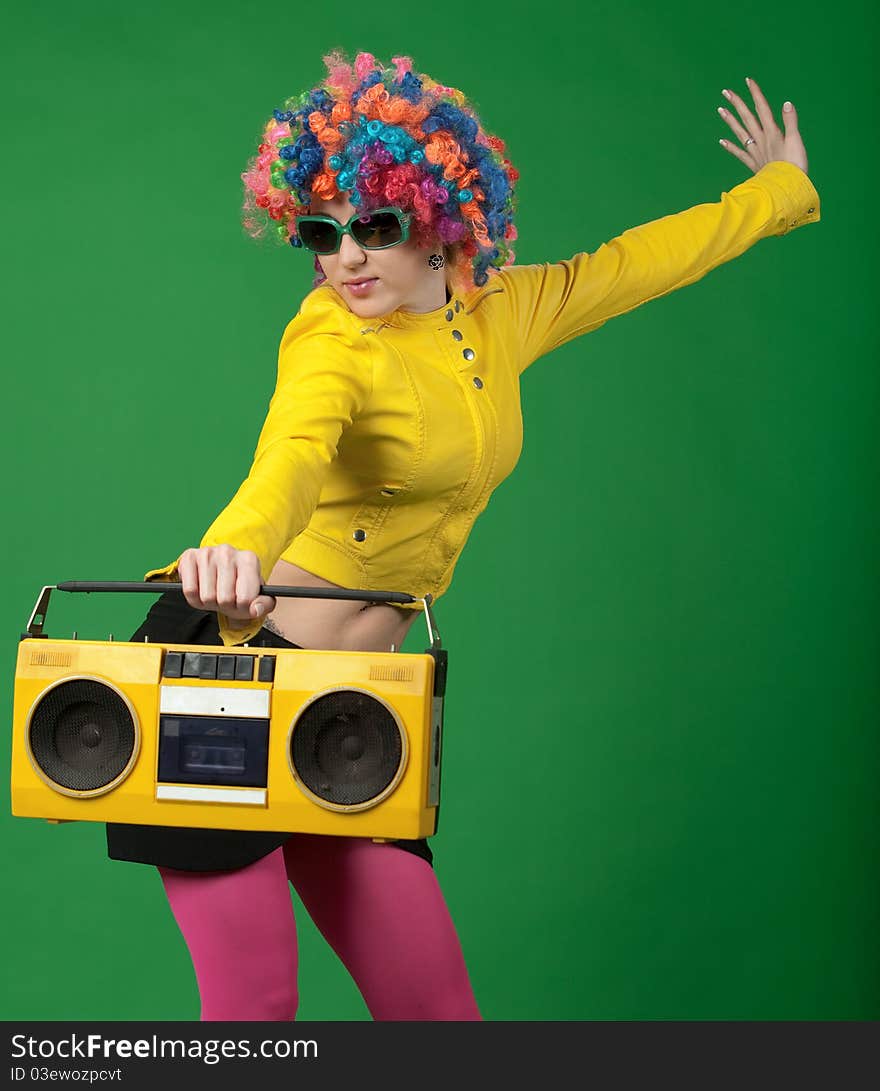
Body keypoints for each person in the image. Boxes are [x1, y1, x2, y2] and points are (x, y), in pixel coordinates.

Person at [105, 50, 820, 1021]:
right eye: (321, 232)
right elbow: (289, 458)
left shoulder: (504, 314)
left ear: (438, 220)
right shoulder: (331, 341)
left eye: (376, 226)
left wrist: (779, 190)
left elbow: (639, 262)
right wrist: (227, 548)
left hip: (353, 708)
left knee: (437, 1016)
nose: (346, 257)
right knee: (255, 1013)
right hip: (225, 681)